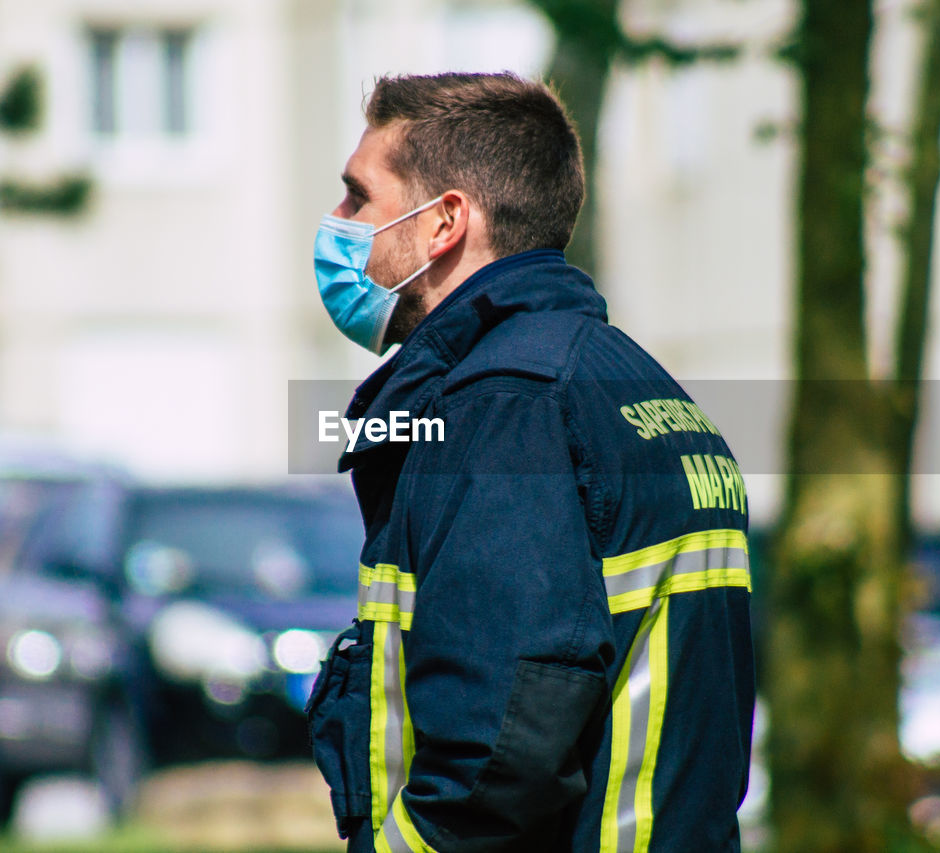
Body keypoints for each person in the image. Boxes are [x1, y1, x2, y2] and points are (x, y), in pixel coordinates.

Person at [307, 71, 754, 853]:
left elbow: (497, 756)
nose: (338, 222)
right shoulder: (634, 387)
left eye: (358, 197)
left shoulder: (506, 405)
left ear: (444, 220)